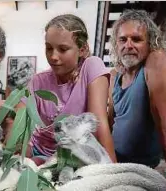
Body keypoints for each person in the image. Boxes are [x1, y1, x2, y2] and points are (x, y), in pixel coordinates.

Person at [10, 14, 117, 165]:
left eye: (63, 49)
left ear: (82, 49)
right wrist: (16, 149)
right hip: (41, 152)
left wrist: (112, 171)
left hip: (77, 152)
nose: (53, 56)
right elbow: (18, 123)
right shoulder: (38, 81)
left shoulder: (91, 67)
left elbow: (99, 124)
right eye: (48, 48)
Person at [108, 10, 166, 180]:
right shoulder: (114, 75)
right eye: (122, 39)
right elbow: (109, 122)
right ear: (116, 44)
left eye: (136, 39)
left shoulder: (156, 61)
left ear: (150, 43)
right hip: (113, 161)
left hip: (141, 166)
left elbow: (165, 125)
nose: (128, 45)